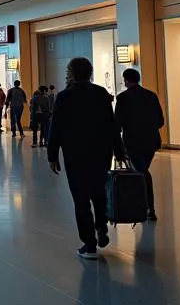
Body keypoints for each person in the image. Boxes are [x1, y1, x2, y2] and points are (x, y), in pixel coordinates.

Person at [47, 57, 125, 260]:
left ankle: (89, 244)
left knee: (80, 198)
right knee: (99, 192)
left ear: (71, 73)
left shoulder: (65, 97)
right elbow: (112, 125)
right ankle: (101, 226)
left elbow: (56, 127)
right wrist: (119, 150)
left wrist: (52, 154)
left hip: (75, 153)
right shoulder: (101, 93)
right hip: (101, 151)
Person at [114, 68, 164, 221]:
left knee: (141, 171)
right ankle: (147, 206)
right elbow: (160, 121)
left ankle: (149, 207)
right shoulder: (151, 96)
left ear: (126, 80)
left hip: (133, 142)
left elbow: (118, 124)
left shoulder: (123, 98)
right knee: (143, 169)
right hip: (151, 141)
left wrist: (118, 147)